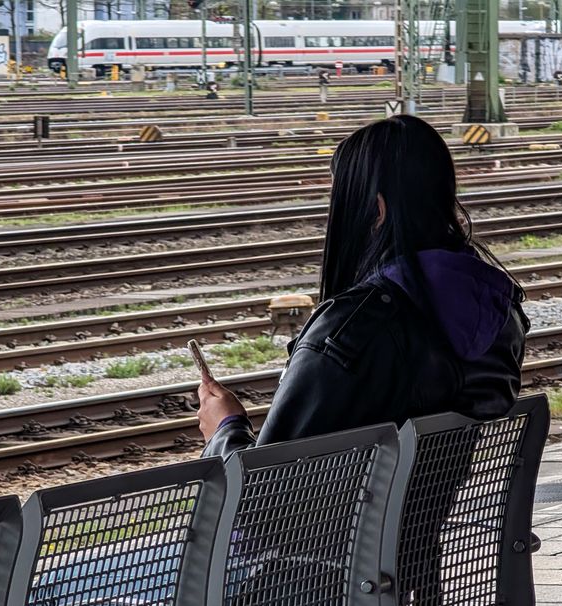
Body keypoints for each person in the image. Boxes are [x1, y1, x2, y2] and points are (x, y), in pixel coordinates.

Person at [198, 113, 528, 462]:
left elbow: (262, 488)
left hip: (343, 517)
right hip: (422, 516)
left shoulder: (349, 331)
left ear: (378, 209)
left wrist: (225, 428)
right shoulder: (500, 313)